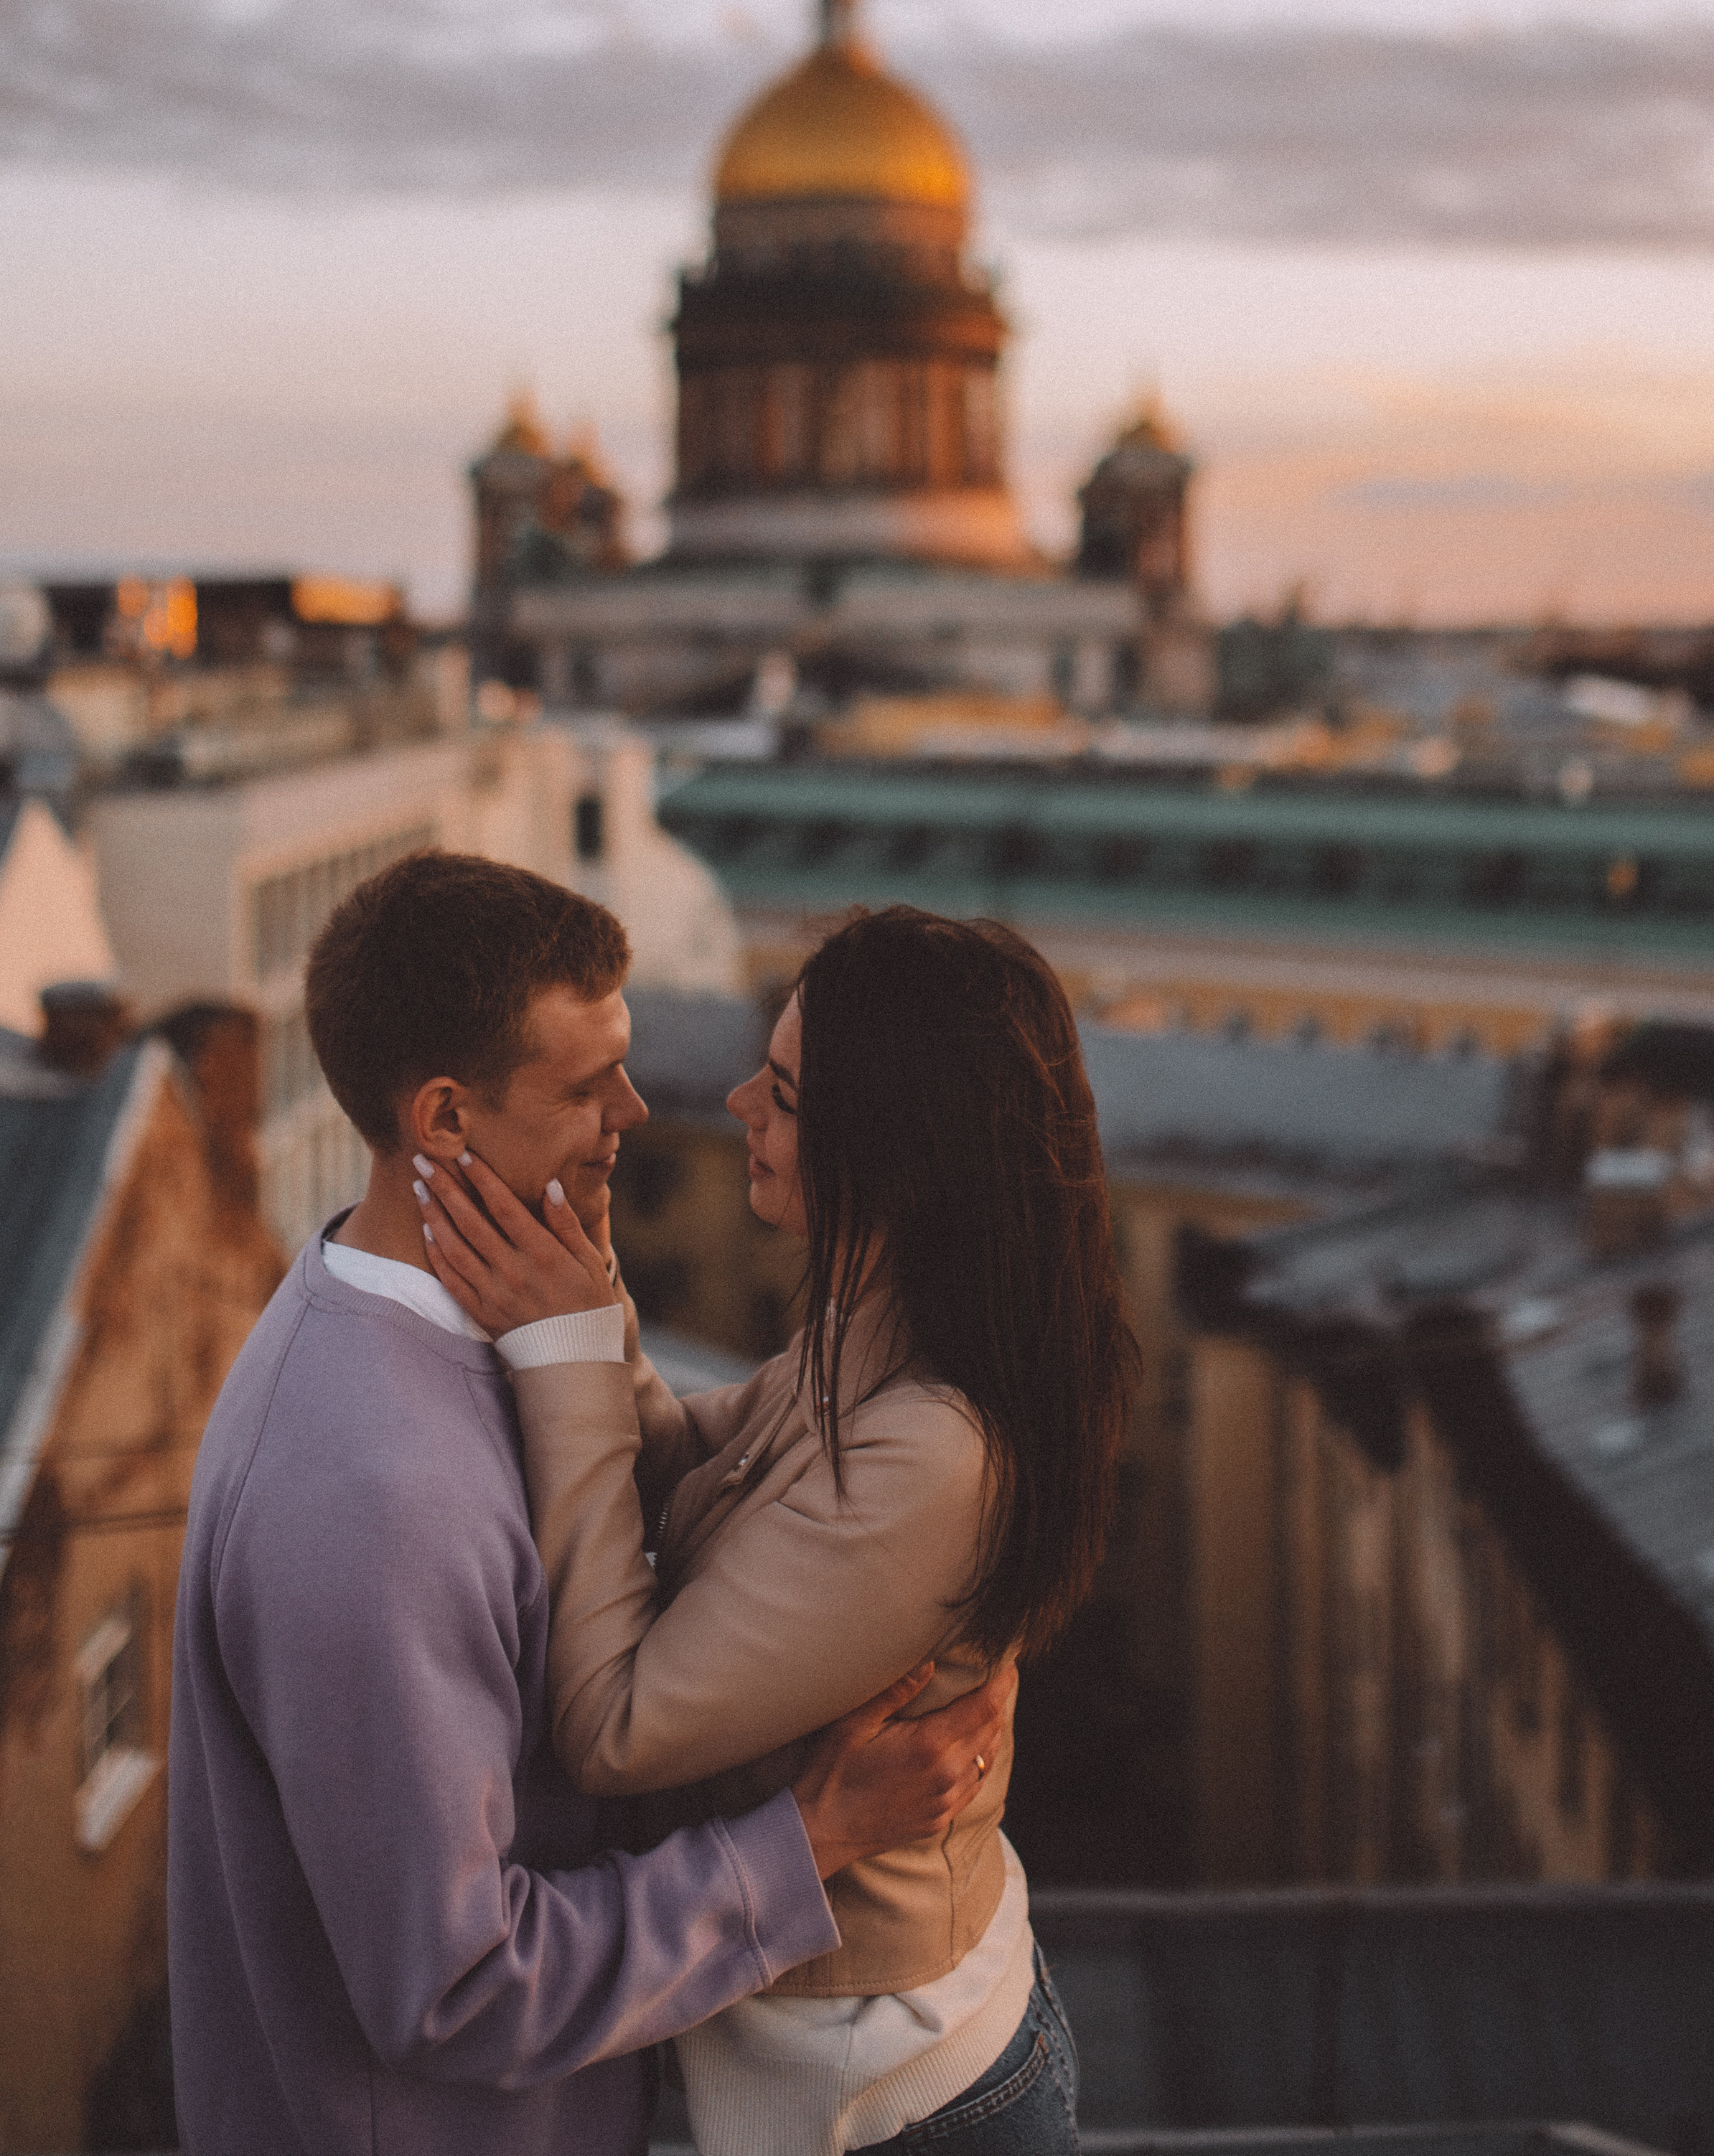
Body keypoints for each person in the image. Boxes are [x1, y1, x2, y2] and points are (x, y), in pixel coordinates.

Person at [169, 856, 1014, 2156]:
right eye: (584, 1085)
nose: (639, 1107)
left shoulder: (478, 1340)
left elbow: (659, 1498)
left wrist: (590, 1317)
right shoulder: (370, 1494)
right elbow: (459, 1990)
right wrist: (811, 1839)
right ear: (444, 1121)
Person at [417, 903, 1139, 2156]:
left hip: (901, 2096)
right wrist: (587, 1299)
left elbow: (618, 1726)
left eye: (790, 1093)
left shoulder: (937, 1452)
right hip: (839, 2065)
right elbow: (698, 1465)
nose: (740, 1100)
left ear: (899, 1157)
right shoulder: (895, 1318)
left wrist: (567, 1349)